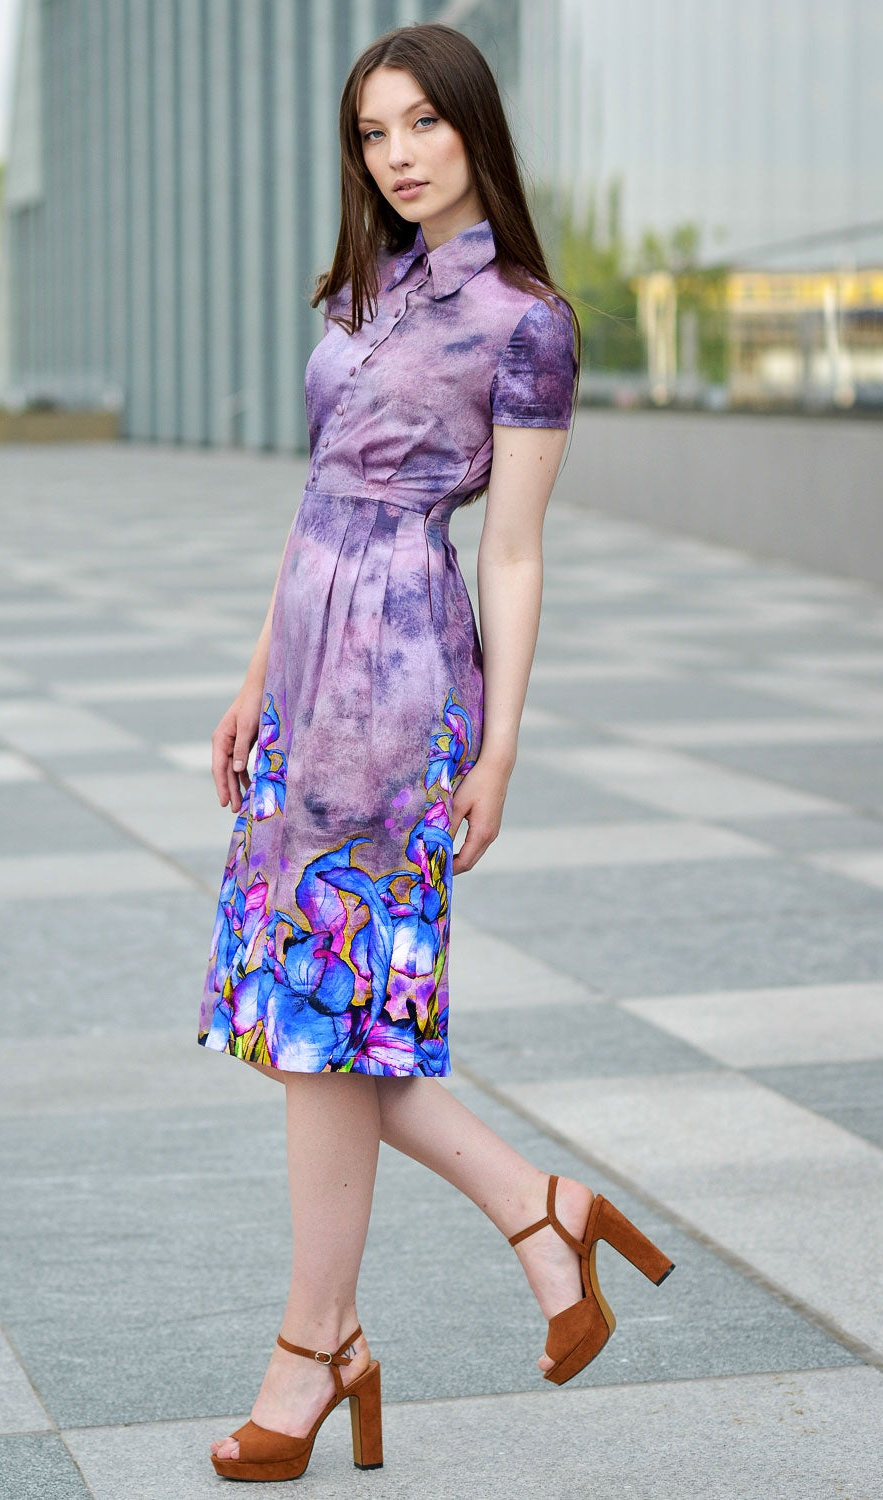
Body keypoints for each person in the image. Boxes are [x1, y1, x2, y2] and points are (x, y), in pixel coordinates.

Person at [200, 23, 674, 1483]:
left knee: (322, 1017)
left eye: (422, 123)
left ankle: (318, 1349)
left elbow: (514, 551)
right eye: (373, 132)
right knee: (318, 1026)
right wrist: (255, 674)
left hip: (400, 685)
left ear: (474, 128)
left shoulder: (526, 320)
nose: (397, 155)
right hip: (305, 678)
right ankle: (534, 1216)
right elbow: (316, 499)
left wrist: (503, 747)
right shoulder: (366, 289)